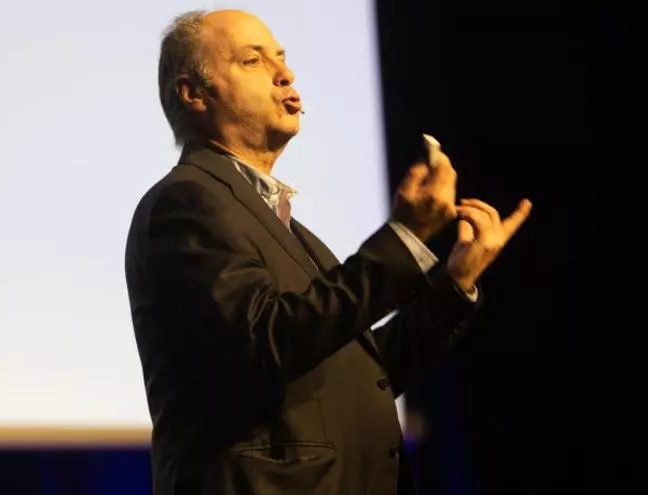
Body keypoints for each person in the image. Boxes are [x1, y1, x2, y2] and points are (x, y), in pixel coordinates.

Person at [124, 9, 532, 495]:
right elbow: (270, 341)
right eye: (253, 60)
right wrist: (405, 237)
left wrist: (455, 283)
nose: (285, 73)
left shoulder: (284, 226)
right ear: (193, 93)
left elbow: (359, 375)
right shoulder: (186, 202)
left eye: (282, 58)